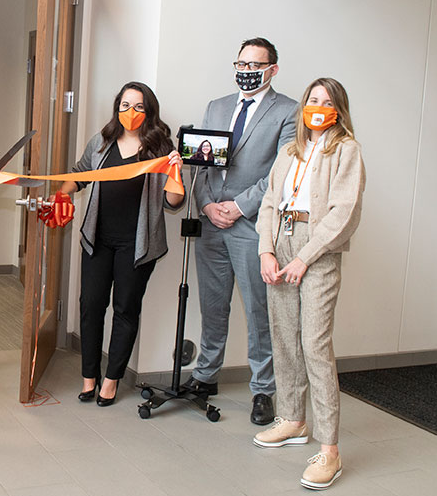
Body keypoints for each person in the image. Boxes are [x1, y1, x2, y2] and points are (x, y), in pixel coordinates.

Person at [253, 78, 364, 490]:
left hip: (317, 249)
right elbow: (269, 203)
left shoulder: (346, 150)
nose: (318, 106)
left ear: (339, 109)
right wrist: (267, 250)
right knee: (283, 335)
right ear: (303, 106)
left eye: (327, 101)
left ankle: (329, 450)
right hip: (281, 241)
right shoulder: (289, 151)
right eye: (313, 100)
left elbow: (343, 211)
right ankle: (293, 419)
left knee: (314, 344)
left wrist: (304, 257)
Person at [44, 82, 183, 405]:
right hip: (98, 239)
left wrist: (175, 171)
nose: (129, 113)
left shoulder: (160, 147)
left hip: (137, 246)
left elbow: (173, 202)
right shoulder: (102, 142)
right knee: (91, 307)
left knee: (125, 310)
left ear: (148, 112)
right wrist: (60, 195)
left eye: (137, 107)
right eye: (124, 105)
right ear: (116, 108)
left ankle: (111, 380)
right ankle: (89, 377)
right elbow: (79, 175)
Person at [184, 37, 298, 425]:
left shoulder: (288, 112)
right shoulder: (216, 107)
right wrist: (206, 205)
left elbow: (279, 174)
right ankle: (205, 375)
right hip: (211, 222)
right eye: (241, 64)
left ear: (272, 69)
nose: (246, 72)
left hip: (252, 226)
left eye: (255, 65)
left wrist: (239, 206)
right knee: (213, 306)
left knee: (258, 311)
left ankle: (263, 390)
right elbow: (199, 163)